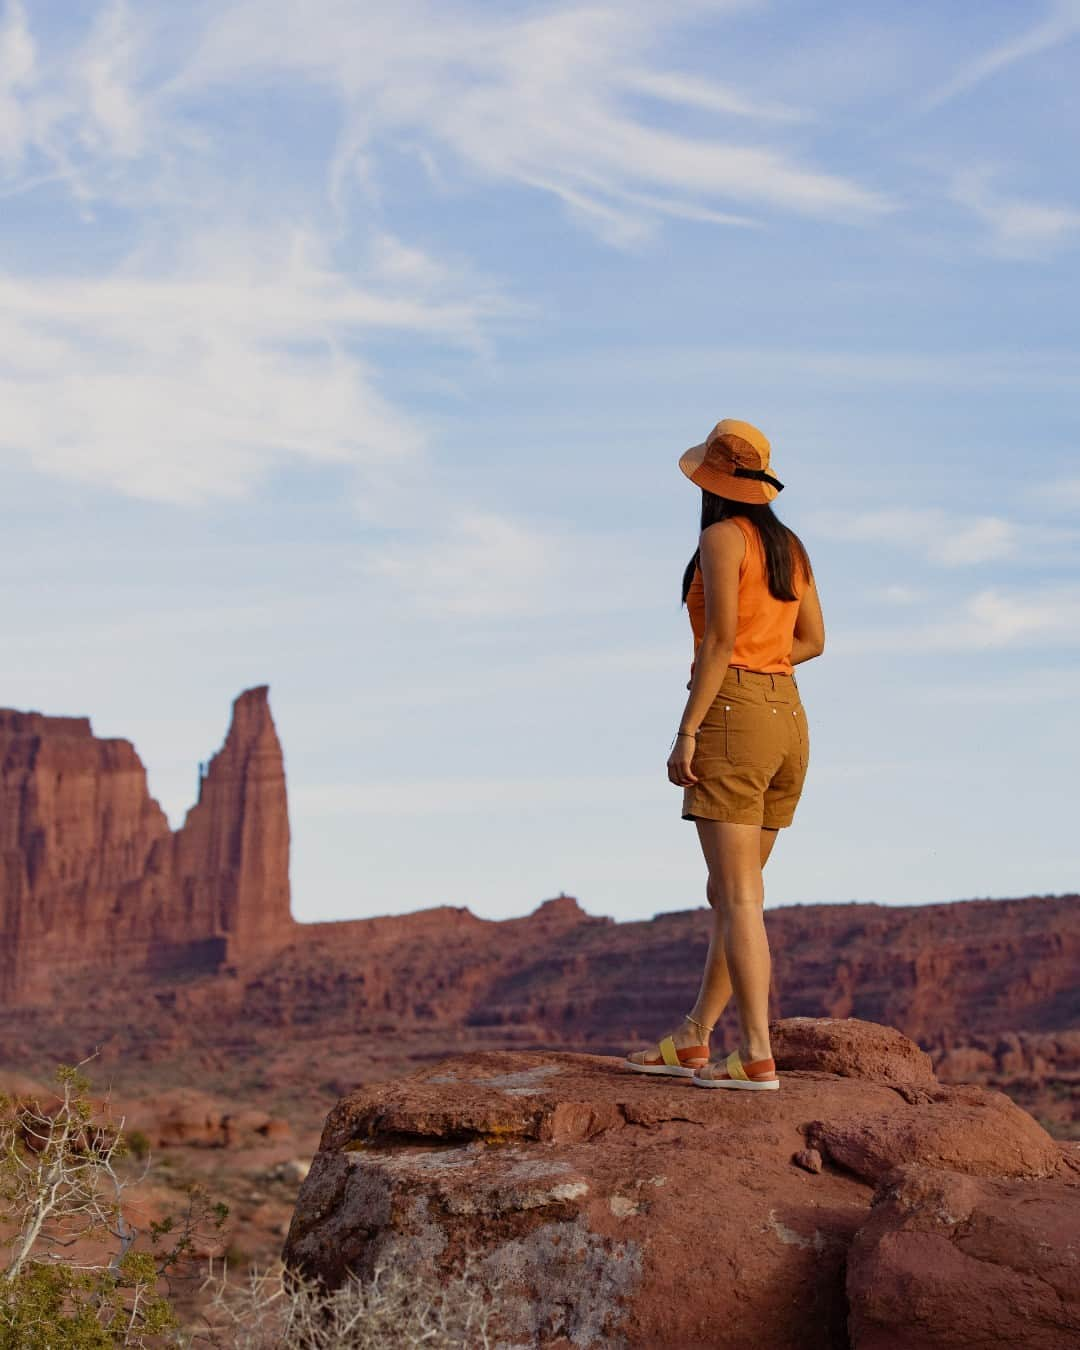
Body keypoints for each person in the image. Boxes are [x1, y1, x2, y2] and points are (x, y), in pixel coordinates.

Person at [625, 418, 825, 1091]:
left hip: (735, 717)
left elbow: (718, 642)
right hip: (788, 719)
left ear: (710, 482)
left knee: (738, 897)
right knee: (733, 894)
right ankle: (693, 1040)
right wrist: (764, 664)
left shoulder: (720, 538)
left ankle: (759, 1053)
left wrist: (688, 728)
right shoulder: (789, 547)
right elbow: (814, 640)